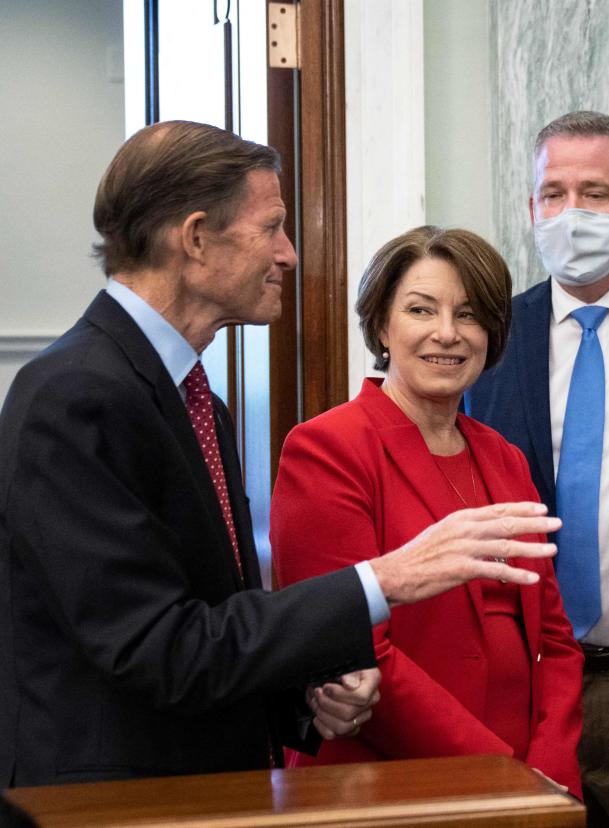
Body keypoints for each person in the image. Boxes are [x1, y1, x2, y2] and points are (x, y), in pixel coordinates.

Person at [0, 121, 560, 788]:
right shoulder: (74, 395)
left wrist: (307, 696)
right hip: (114, 797)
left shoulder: (198, 402)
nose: (290, 254)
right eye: (272, 227)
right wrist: (386, 580)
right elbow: (156, 648)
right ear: (197, 237)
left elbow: (215, 625)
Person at [271, 226, 583, 795]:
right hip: (385, 779)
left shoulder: (505, 458)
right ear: (383, 325)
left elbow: (555, 638)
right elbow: (352, 644)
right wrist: (500, 775)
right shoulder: (327, 449)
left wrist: (550, 768)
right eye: (421, 309)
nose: (447, 334)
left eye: (468, 315)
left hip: (529, 783)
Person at [466, 111, 609, 826]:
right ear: (531, 208)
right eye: (553, 193)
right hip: (527, 692)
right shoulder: (491, 337)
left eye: (595, 193)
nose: (572, 214)